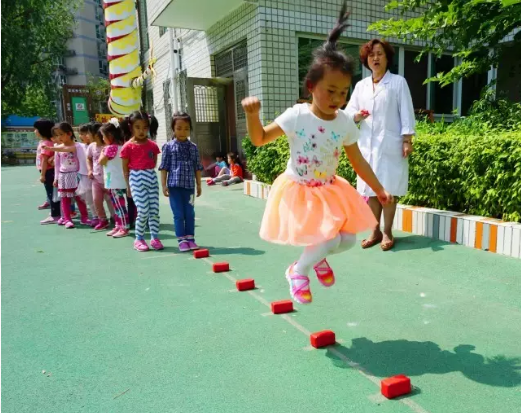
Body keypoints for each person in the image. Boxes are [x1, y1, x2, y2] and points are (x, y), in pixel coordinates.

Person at [241, 1, 393, 304]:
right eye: (330, 90)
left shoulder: (345, 122)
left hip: (329, 189)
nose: (337, 98)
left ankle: (316, 257)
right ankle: (298, 270)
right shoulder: (296, 116)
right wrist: (252, 115)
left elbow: (357, 159)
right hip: (300, 190)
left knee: (347, 239)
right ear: (311, 86)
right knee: (328, 238)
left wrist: (379, 188)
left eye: (343, 92)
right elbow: (258, 139)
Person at [345, 39, 415, 251]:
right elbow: (349, 113)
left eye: (379, 54)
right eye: (371, 55)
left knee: (388, 190)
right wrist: (356, 116)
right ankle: (374, 230)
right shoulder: (360, 86)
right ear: (366, 60)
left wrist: (407, 140)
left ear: (387, 58)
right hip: (367, 146)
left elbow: (406, 112)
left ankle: (387, 231)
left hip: (390, 145)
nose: (375, 58)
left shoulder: (398, 82)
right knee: (371, 189)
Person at [159, 112, 203, 252]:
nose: (183, 131)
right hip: (174, 187)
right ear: (173, 128)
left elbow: (197, 167)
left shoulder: (193, 147)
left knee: (190, 213)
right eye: (179, 128)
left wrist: (199, 184)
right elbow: (164, 167)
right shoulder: (168, 147)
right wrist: (164, 185)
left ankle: (190, 238)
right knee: (178, 214)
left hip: (189, 187)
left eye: (186, 128)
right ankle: (181, 240)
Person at [120, 111, 164, 252]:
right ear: (131, 127)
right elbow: (125, 169)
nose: (141, 130)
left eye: (145, 127)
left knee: (154, 211)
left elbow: (153, 163)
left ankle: (155, 237)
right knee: (143, 210)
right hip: (136, 179)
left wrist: (149, 174)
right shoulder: (127, 146)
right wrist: (128, 186)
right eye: (137, 127)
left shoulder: (152, 145)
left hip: (151, 178)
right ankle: (139, 238)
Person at [42, 123, 90, 229]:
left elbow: (67, 149)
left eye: (61, 134)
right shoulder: (57, 148)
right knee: (65, 199)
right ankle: (67, 219)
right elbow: (57, 164)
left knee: (79, 198)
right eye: (57, 135)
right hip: (64, 176)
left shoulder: (76, 146)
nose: (59, 137)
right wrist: (56, 178)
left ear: (69, 133)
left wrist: (50, 148)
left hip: (76, 175)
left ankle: (84, 217)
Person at [99, 119, 130, 238]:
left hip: (114, 181)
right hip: (118, 180)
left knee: (118, 205)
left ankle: (124, 227)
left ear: (110, 135)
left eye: (103, 136)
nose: (102, 139)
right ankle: (119, 225)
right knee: (117, 204)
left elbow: (101, 161)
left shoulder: (110, 148)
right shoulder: (121, 146)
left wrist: (102, 151)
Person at [86, 122, 114, 230]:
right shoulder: (91, 146)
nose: (87, 136)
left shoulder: (107, 146)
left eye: (89, 133)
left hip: (109, 178)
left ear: (96, 134)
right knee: (96, 200)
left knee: (112, 200)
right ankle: (102, 219)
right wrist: (89, 170)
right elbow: (88, 158)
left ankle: (115, 217)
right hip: (95, 179)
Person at [34, 119, 61, 223]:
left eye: (36, 129)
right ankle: (55, 213)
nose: (34, 131)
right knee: (52, 194)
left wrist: (42, 175)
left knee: (52, 194)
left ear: (42, 130)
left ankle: (55, 216)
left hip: (48, 172)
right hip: (49, 171)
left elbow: (45, 160)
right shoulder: (49, 142)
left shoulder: (46, 143)